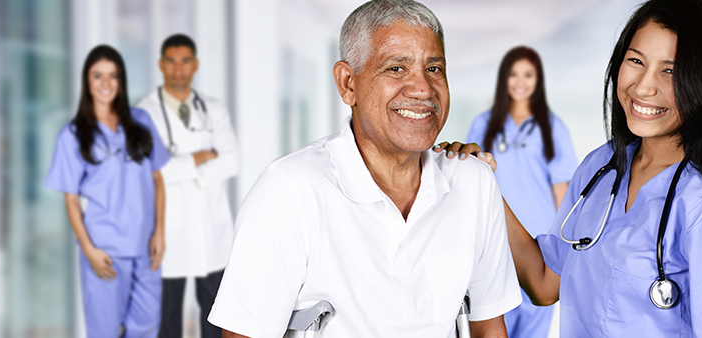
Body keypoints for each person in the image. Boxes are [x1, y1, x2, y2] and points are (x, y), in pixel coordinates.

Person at [449, 0, 702, 336]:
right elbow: (545, 282)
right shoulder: (602, 167)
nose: (642, 87)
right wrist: (481, 186)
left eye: (670, 70)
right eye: (636, 61)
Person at [207, 0, 521, 337]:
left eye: (434, 69)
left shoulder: (473, 182)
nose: (422, 89)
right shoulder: (289, 190)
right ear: (348, 84)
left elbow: (490, 328)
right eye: (396, 68)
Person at [45, 45, 169, 338]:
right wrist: (89, 250)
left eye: (112, 76)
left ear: (121, 80)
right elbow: (71, 199)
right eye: (97, 76)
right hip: (105, 253)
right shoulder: (73, 135)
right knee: (105, 332)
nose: (105, 84)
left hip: (146, 250)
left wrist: (160, 232)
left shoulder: (141, 122)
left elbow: (158, 180)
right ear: (87, 82)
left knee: (147, 329)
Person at [465, 46, 577, 338]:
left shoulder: (552, 128)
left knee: (532, 326)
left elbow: (562, 191)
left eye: (528, 74)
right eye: (514, 74)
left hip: (537, 250)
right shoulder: (484, 124)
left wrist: (561, 246)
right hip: (494, 243)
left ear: (538, 81)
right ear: (504, 79)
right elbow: (467, 180)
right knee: (491, 323)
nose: (520, 81)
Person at [135, 33, 239, 338]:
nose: (178, 69)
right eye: (171, 61)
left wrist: (177, 165)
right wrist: (202, 157)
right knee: (166, 321)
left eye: (184, 61)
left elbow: (230, 161)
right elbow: (149, 172)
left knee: (216, 316)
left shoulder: (213, 109)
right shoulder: (144, 114)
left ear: (195, 65)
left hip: (211, 230)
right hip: (167, 232)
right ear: (161, 65)